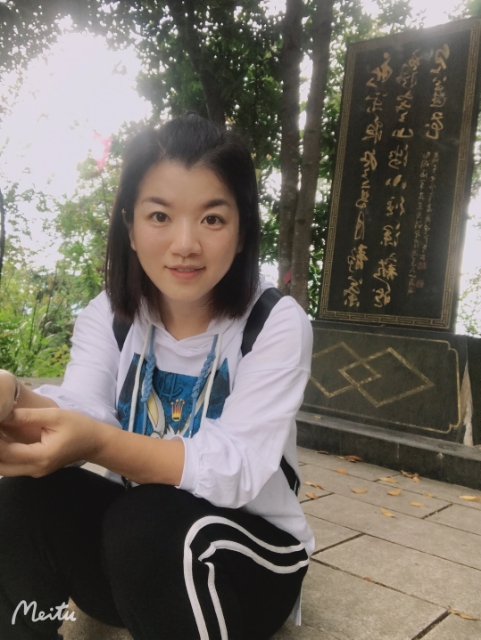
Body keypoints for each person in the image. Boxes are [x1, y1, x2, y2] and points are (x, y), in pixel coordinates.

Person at [0, 113, 314, 640]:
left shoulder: (274, 322)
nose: (185, 243)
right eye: (160, 215)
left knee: (146, 519)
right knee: (19, 499)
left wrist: (98, 442)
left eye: (212, 219)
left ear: (241, 233)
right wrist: (14, 397)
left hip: (251, 565)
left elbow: (236, 469)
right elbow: (85, 411)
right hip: (137, 563)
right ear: (130, 225)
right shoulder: (110, 315)